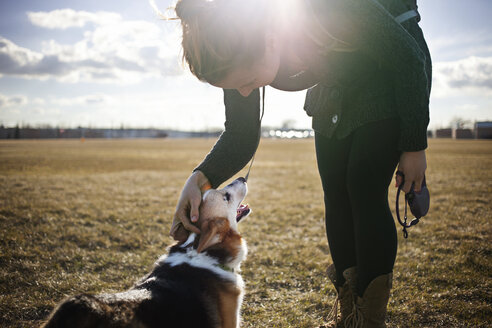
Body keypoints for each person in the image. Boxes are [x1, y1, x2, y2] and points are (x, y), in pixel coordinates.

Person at [168, 0, 431, 327]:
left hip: (388, 75)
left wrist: (413, 145)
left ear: (269, 39)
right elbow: (241, 134)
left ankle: (370, 321)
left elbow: (409, 59)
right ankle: (350, 314)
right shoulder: (235, 54)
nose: (245, 91)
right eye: (236, 86)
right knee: (335, 194)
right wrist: (198, 178)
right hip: (334, 87)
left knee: (362, 188)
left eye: (248, 79)